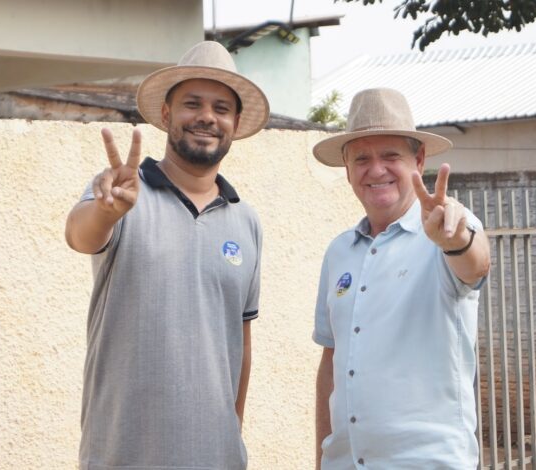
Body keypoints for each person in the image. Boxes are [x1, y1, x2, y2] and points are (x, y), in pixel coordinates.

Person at [65, 41, 269, 470]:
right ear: (165, 114)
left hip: (216, 457)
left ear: (234, 123)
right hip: (121, 453)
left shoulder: (246, 221)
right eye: (191, 103)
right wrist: (105, 211)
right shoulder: (123, 191)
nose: (206, 117)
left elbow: (239, 341)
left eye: (221, 108)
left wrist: (232, 433)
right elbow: (80, 234)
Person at [312, 88, 491, 469]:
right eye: (361, 158)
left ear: (419, 160)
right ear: (347, 168)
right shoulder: (339, 252)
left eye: (391, 156)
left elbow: (475, 263)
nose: (375, 170)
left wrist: (456, 241)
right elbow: (332, 362)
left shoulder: (447, 229)